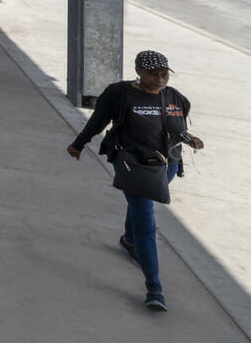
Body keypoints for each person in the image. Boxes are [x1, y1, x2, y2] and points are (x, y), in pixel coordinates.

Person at [67, 50, 206, 312]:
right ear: (139, 71)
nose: (159, 79)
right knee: (146, 221)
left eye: (164, 74)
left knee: (140, 208)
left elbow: (178, 129)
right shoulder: (120, 94)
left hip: (168, 167)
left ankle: (129, 241)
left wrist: (191, 139)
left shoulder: (174, 97)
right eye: (153, 74)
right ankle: (154, 288)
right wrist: (78, 144)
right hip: (134, 166)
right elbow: (98, 122)